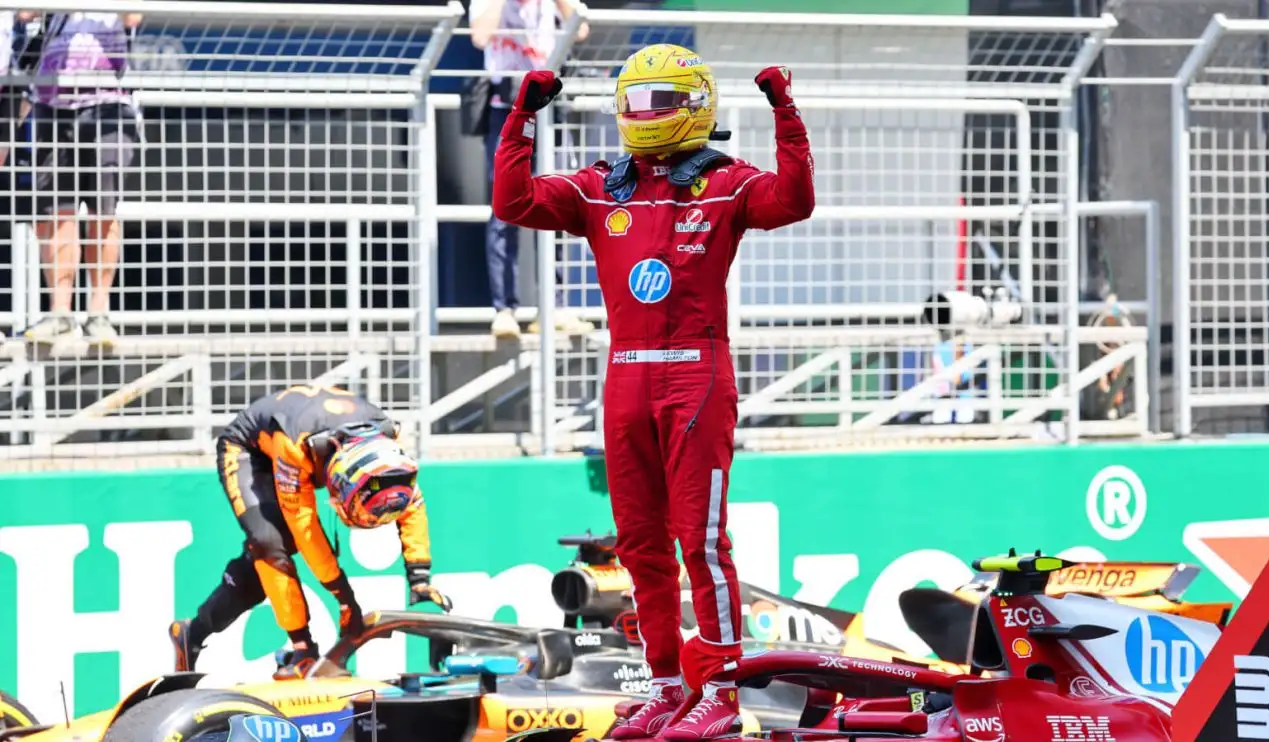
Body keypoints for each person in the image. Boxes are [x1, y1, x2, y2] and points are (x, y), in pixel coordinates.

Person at [491, 45, 814, 739]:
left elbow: (794, 200)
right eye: (635, 103)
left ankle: (721, 690)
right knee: (638, 543)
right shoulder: (599, 187)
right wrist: (521, 117)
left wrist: (784, 111)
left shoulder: (727, 183)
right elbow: (511, 201)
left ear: (696, 105)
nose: (645, 116)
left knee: (699, 538)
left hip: (696, 373)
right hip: (626, 374)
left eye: (661, 103)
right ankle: (666, 687)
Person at [167, 385, 454, 680]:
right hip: (253, 451)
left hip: (311, 441)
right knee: (269, 544)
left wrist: (419, 579)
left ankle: (192, 632)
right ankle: (302, 649)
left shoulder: (386, 450)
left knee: (263, 558)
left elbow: (411, 503)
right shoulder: (298, 446)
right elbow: (306, 531)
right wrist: (343, 596)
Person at [16, 10, 142, 348]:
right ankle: (59, 314)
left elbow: (133, 15)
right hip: (50, 101)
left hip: (109, 102)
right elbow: (25, 14)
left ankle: (98, 314)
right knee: (57, 211)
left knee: (104, 211)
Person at [469, 0, 593, 339]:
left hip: (548, 108)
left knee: (558, 203)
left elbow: (580, 29)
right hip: (505, 107)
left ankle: (555, 306)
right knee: (503, 208)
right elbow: (480, 36)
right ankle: (504, 309)